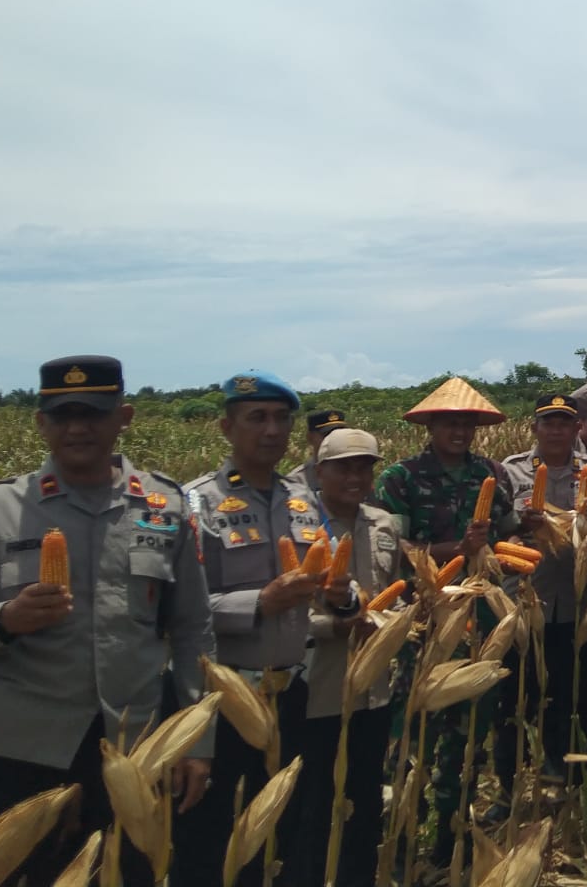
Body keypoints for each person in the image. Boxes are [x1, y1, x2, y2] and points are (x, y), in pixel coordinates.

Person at [0, 356, 215, 887]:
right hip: (18, 752)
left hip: (133, 748)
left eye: (93, 413)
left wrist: (196, 741)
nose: (77, 428)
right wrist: (2, 620)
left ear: (123, 417)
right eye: (62, 415)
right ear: (41, 423)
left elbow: (191, 630)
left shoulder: (165, 507)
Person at [175, 370, 326, 887]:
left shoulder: (306, 501)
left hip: (292, 692)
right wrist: (259, 603)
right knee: (211, 839)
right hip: (224, 697)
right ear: (226, 427)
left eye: (281, 419)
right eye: (257, 418)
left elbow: (327, 582)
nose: (272, 430)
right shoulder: (196, 503)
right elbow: (182, 612)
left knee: (284, 833)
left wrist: (341, 599)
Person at [372, 376, 516, 863]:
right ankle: (400, 843)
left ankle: (451, 844)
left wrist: (526, 540)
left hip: (479, 628)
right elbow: (393, 551)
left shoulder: (491, 475)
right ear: (430, 426)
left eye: (467, 423)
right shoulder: (400, 480)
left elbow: (507, 537)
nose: (459, 431)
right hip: (422, 627)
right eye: (450, 422)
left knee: (468, 742)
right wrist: (457, 550)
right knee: (410, 741)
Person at [492, 394, 587, 820]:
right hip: (522, 602)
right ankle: (507, 789)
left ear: (577, 428)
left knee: (572, 697)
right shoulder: (509, 471)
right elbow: (494, 528)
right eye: (548, 422)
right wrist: (519, 527)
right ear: (534, 427)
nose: (556, 429)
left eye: (564, 422)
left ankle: (568, 784)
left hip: (577, 605)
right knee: (513, 701)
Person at [296, 427, 401, 887]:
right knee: (315, 802)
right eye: (344, 468)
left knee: (365, 798)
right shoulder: (299, 525)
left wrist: (399, 618)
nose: (355, 477)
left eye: (364, 468)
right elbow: (286, 614)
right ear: (320, 471)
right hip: (319, 688)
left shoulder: (383, 524)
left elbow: (393, 589)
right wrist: (334, 627)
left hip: (375, 689)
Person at [284, 408, 348, 488]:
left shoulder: (358, 473)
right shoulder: (296, 482)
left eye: (340, 434)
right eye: (327, 434)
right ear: (310, 438)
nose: (335, 439)